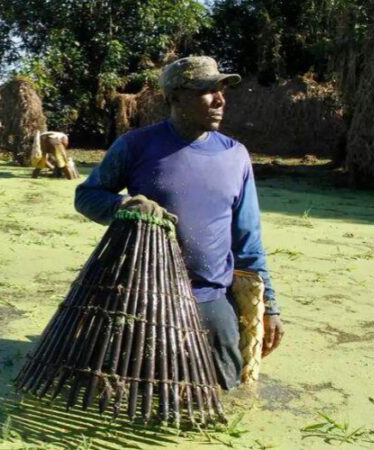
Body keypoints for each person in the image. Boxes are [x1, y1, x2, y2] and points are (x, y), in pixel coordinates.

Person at [74, 56, 284, 390]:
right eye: (206, 91)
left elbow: (248, 241)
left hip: (210, 297)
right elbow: (87, 195)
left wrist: (269, 307)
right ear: (174, 97)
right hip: (144, 297)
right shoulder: (136, 145)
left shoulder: (235, 156)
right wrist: (123, 205)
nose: (219, 100)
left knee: (224, 389)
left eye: (221, 90)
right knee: (133, 388)